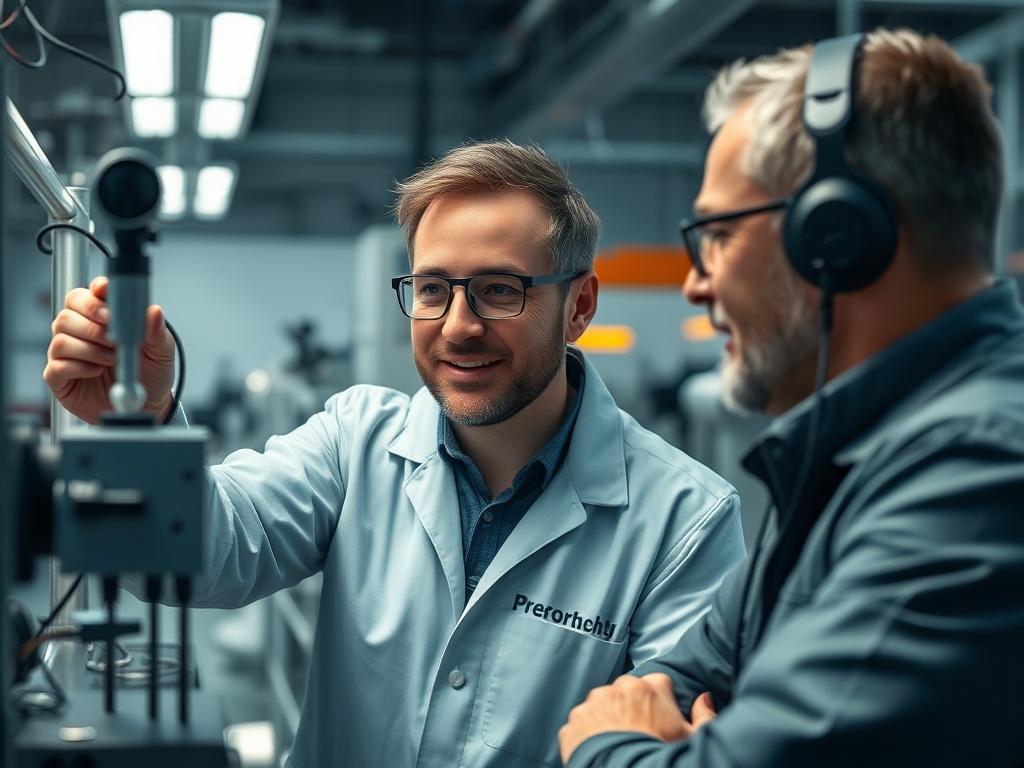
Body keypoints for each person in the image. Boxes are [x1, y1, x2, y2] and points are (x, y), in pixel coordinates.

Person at [44, 140, 745, 767]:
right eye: (433, 289)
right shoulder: (357, 441)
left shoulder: (685, 523)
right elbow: (204, 556)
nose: (458, 326)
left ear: (580, 306)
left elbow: (666, 748)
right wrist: (140, 421)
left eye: (500, 290)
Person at [558, 28, 1024, 768]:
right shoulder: (846, 458)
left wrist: (606, 746)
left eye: (714, 235)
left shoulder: (978, 472)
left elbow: (653, 728)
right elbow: (677, 680)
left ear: (836, 235)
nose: (695, 283)